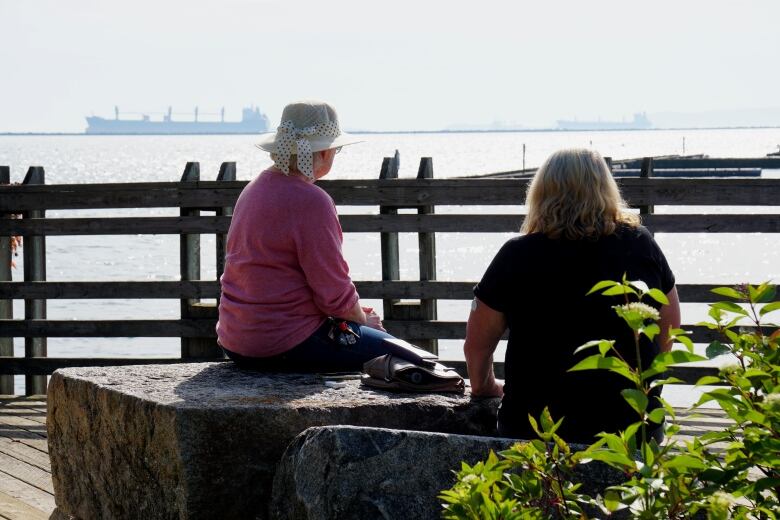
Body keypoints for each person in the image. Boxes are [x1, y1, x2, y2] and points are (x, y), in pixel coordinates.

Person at [464, 148, 681, 443]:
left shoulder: (516, 255)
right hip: (632, 425)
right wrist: (647, 390)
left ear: (540, 192)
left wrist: (484, 387)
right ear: (606, 189)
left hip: (535, 428)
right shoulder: (641, 244)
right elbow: (669, 329)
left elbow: (477, 345)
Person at [216, 100, 395, 372]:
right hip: (287, 342)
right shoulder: (312, 200)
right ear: (323, 152)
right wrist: (362, 320)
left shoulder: (252, 190)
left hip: (236, 339)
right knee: (410, 360)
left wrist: (354, 315)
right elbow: (333, 293)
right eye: (336, 150)